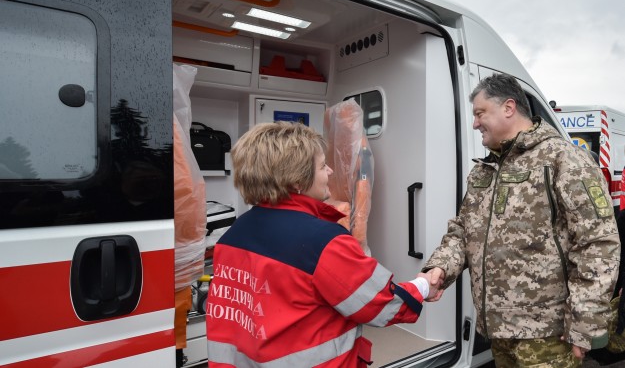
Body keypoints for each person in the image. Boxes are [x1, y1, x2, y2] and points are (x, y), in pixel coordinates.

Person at [422, 73, 620, 367]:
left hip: (548, 336)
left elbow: (597, 244)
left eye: (480, 113)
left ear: (508, 107)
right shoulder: (484, 170)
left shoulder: (563, 159)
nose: (475, 123)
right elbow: (464, 232)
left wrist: (586, 323)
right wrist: (440, 269)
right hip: (499, 332)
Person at [205, 121, 437, 367]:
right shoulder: (323, 241)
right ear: (296, 181)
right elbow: (380, 303)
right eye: (322, 166)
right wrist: (424, 285)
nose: (330, 172)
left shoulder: (235, 232)